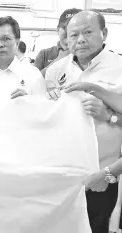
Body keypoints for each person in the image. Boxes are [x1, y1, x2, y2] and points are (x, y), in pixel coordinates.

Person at [45, 10, 122, 233]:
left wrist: (110, 116)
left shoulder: (119, 68)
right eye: (73, 35)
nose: (80, 40)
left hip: (100, 177)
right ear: (65, 39)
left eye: (88, 32)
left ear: (104, 33)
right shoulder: (55, 71)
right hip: (60, 177)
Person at [34, 8, 82, 77]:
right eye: (66, 28)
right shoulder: (44, 54)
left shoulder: (88, 54)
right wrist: (59, 60)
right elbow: (33, 82)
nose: (71, 32)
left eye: (77, 28)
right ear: (57, 29)